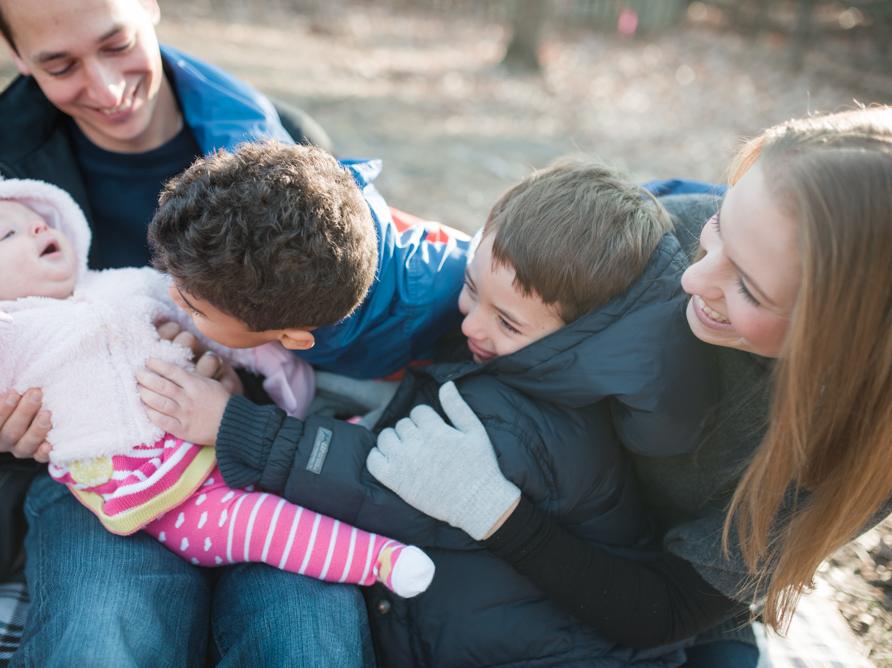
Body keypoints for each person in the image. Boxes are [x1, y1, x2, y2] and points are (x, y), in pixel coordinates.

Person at [0, 1, 466, 665]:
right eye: (59, 65)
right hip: (97, 481)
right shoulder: (2, 188)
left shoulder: (280, 145)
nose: (107, 88)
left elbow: (330, 338)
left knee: (306, 637)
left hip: (257, 463)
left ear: (149, 6)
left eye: (116, 44)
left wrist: (241, 390)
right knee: (100, 633)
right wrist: (1, 438)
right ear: (15, 53)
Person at [365, 105, 892, 666]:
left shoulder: (853, 448)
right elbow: (503, 295)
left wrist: (494, 510)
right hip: (554, 481)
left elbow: (668, 610)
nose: (693, 277)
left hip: (644, 585)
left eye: (751, 291)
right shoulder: (676, 229)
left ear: (840, 338)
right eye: (721, 226)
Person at [144, 155, 720, 666]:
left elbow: (387, 483)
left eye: (508, 321)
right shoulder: (512, 359)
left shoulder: (524, 418)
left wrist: (234, 425)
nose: (470, 324)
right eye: (472, 290)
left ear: (580, 332)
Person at [0, 158, 437, 600]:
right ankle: (379, 561)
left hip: (230, 441)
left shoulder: (128, 284)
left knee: (304, 527)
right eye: (7, 232)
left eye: (36, 218)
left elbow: (229, 328)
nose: (38, 225)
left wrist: (263, 378)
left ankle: (370, 470)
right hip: (151, 494)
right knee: (259, 527)